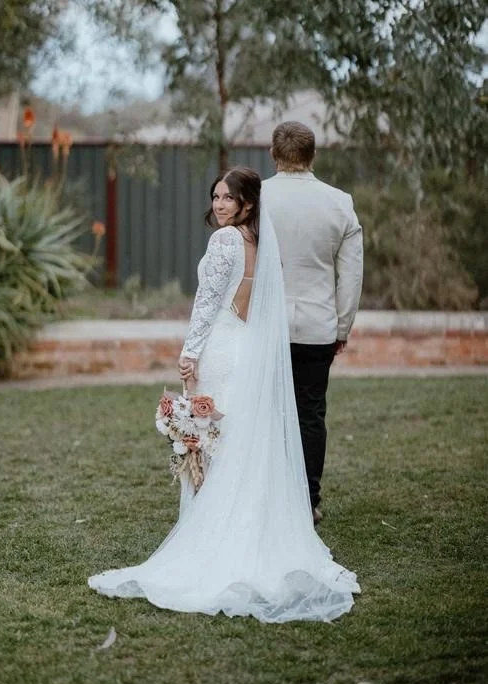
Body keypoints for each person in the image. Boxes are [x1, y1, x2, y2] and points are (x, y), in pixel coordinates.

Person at [88, 166, 360, 623]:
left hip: (220, 347)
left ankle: (211, 535)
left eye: (227, 198)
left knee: (210, 437)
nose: (218, 205)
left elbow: (207, 302)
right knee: (238, 439)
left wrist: (189, 354)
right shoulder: (260, 243)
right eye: (215, 196)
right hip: (248, 349)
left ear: (247, 204)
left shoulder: (226, 241)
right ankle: (250, 530)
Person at [261, 122, 363, 524]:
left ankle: (268, 495)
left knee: (266, 411)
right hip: (318, 327)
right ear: (313, 156)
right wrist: (342, 327)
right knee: (310, 413)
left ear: (273, 154)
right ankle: (308, 501)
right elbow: (351, 275)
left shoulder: (258, 198)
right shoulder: (339, 203)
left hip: (267, 326)